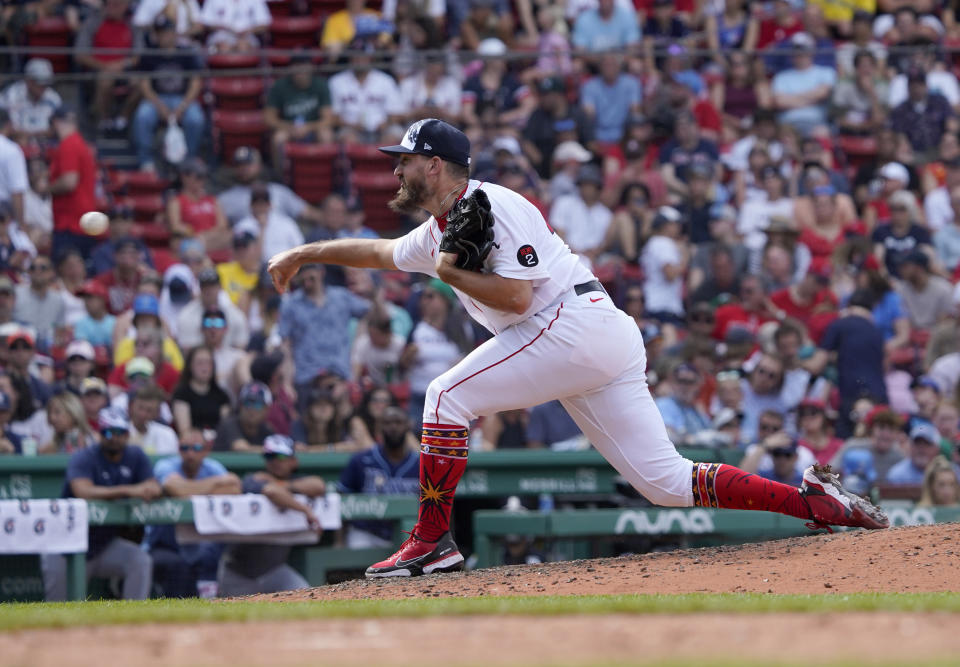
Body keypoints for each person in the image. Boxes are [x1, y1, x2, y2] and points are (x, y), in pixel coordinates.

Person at [267, 118, 890, 579]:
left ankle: (432, 540)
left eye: (405, 159)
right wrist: (306, 251)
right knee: (665, 483)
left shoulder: (489, 204)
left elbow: (514, 301)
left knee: (444, 396)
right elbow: (379, 253)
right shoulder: (438, 230)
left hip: (570, 323)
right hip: (588, 337)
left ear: (434, 165)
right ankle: (814, 503)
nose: (395, 169)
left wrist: (452, 271)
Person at [40, 407, 158, 601]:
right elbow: (83, 491)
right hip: (64, 545)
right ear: (100, 434)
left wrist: (147, 489)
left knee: (140, 561)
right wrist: (128, 490)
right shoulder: (84, 457)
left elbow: (153, 486)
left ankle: (134, 621)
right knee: (58, 606)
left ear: (128, 434)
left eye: (120, 432)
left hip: (102, 545)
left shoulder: (136, 456)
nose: (114, 437)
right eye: (108, 432)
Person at [217, 435, 325, 596]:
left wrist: (285, 485)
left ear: (293, 460)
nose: (274, 461)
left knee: (307, 596)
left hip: (274, 571)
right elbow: (271, 491)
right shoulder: (252, 480)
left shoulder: (293, 480)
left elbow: (319, 486)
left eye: (280, 456)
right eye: (270, 456)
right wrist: (306, 510)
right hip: (239, 573)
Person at [147, 431, 241, 598]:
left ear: (206, 450)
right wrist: (216, 483)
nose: (190, 453)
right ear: (179, 449)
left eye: (197, 448)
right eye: (185, 448)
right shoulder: (166, 465)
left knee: (213, 551)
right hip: (165, 543)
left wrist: (188, 489)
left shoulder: (213, 467)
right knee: (179, 566)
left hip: (201, 542)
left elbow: (234, 488)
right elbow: (175, 488)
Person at [277, 263, 369, 400]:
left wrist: (358, 342)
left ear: (321, 273)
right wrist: (287, 382)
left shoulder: (341, 297)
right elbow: (285, 346)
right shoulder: (290, 304)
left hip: (340, 373)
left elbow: (369, 312)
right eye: (303, 281)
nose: (307, 284)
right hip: (307, 376)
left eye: (311, 279)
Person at [338, 406, 419, 547]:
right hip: (367, 531)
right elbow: (342, 498)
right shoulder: (361, 460)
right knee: (358, 547)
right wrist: (339, 541)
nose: (393, 427)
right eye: (387, 423)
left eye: (398, 422)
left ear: (407, 426)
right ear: (379, 427)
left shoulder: (421, 463)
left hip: (410, 533)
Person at [132, 15, 205, 171]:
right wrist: (159, 106)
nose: (164, 36)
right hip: (157, 99)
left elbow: (195, 83)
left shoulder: (187, 53)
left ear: (174, 33)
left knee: (195, 119)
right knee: (142, 116)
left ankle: (189, 160)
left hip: (182, 98)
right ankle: (146, 162)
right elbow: (144, 85)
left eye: (167, 32)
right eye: (160, 33)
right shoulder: (149, 54)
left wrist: (183, 107)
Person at [264, 52, 334, 170]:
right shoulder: (280, 86)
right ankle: (279, 176)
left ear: (311, 67)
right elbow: (268, 118)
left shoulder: (320, 84)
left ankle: (324, 173)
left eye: (303, 65)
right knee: (278, 138)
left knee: (326, 135)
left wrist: (308, 127)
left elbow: (327, 119)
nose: (300, 70)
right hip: (289, 128)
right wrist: (289, 126)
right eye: (296, 65)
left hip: (313, 127)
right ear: (290, 68)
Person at [46, 106, 97, 262]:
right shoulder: (79, 143)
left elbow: (69, 182)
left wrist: (44, 189)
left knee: (65, 274)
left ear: (55, 122)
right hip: (81, 220)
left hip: (70, 222)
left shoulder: (69, 144)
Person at [234, 183, 304, 264]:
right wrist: (262, 228)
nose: (260, 207)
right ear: (251, 205)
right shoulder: (243, 226)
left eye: (263, 204)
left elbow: (300, 248)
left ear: (270, 205)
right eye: (257, 204)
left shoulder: (286, 223)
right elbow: (246, 257)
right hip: (257, 271)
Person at [172, 346, 231, 435]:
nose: (204, 368)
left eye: (208, 363)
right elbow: (184, 431)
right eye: (199, 363)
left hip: (217, 444)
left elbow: (225, 428)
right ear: (190, 366)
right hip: (192, 444)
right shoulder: (181, 394)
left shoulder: (222, 395)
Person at [655, 363, 710, 445]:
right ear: (672, 383)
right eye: (680, 381)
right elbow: (666, 435)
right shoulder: (664, 404)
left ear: (698, 385)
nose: (684, 386)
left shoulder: (697, 409)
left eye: (689, 382)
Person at [213, 381, 273, 452]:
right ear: (240, 406)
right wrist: (270, 451)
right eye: (247, 403)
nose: (251, 409)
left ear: (267, 409)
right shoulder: (229, 424)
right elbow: (240, 448)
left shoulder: (266, 430)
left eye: (258, 405)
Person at [127, 383, 179, 455]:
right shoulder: (120, 433)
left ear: (157, 413)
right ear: (131, 407)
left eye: (149, 410)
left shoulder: (167, 434)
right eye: (140, 408)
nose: (143, 414)